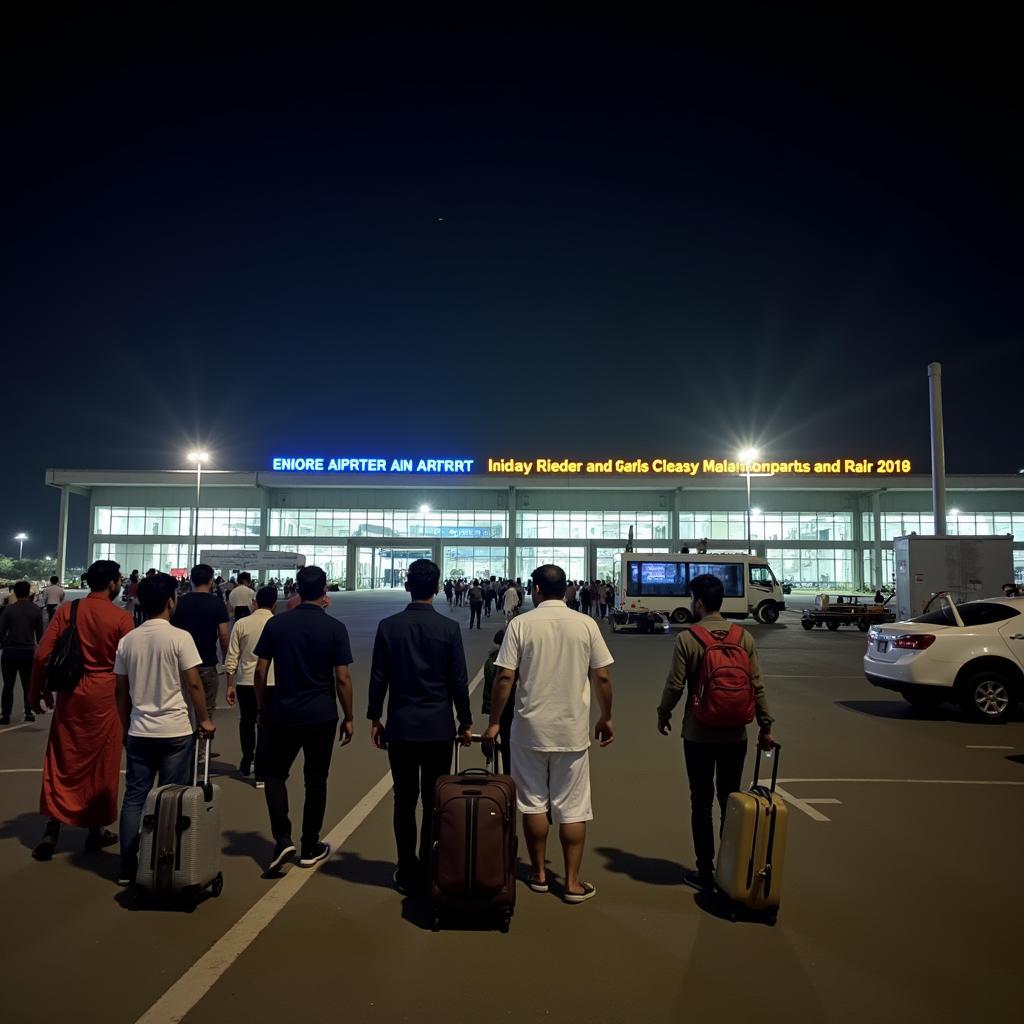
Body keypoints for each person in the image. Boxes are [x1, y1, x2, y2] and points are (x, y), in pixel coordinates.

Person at [485, 564, 614, 904]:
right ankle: (571, 883)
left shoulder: (521, 624)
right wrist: (607, 717)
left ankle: (539, 874)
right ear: (566, 590)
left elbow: (504, 678)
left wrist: (495, 721)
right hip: (571, 731)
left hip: (528, 730)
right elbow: (601, 677)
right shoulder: (587, 624)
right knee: (573, 808)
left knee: (532, 804)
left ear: (536, 590)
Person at [656, 573, 775, 890]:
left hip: (698, 733)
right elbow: (757, 685)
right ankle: (731, 868)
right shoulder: (743, 638)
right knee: (730, 799)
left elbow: (675, 685)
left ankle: (705, 871)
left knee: (701, 803)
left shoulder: (688, 639)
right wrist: (765, 726)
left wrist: (663, 713)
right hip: (735, 734)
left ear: (697, 602)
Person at [367, 558, 472, 894]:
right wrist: (466, 720)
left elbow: (379, 677)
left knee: (404, 800)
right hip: (439, 727)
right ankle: (429, 864)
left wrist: (374, 717)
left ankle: (406, 867)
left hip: (401, 726)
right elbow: (458, 680)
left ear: (407, 585)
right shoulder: (449, 628)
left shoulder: (389, 626)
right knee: (433, 800)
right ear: (439, 587)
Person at [113, 573, 215, 885]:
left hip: (140, 729)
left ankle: (128, 868)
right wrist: (204, 719)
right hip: (174, 730)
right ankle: (164, 862)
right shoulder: (179, 637)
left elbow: (120, 690)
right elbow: (194, 683)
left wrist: (123, 726)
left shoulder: (127, 640)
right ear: (171, 602)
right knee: (171, 797)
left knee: (134, 798)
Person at [28, 560, 133, 861]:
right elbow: (130, 667)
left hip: (71, 694)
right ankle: (95, 828)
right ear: (112, 583)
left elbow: (42, 655)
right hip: (106, 695)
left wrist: (36, 693)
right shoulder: (120, 618)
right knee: (103, 761)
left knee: (63, 758)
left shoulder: (68, 611)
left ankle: (53, 826)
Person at [254, 565, 354, 874]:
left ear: (296, 589)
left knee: (273, 773)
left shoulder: (277, 625)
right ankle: (310, 845)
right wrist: (349, 716)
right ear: (325, 592)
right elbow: (342, 678)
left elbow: (260, 670)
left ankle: (282, 836)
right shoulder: (335, 628)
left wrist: (262, 708)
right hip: (321, 714)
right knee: (316, 780)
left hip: (283, 712)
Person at [225, 585, 277, 787]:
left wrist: (229, 684)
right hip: (271, 682)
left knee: (246, 722)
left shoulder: (241, 624)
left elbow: (232, 657)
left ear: (254, 603)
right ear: (274, 605)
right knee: (266, 726)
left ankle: (247, 759)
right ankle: (261, 773)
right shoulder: (276, 623)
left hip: (245, 682)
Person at [171, 564, 230, 726]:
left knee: (183, 706)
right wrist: (225, 659)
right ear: (211, 581)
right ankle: (203, 749)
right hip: (207, 661)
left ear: (191, 580)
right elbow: (223, 635)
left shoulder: (180, 603)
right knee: (207, 707)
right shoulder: (217, 603)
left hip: (182, 662)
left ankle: (187, 746)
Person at [1, 580, 44, 724]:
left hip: (10, 652)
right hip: (28, 652)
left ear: (15, 592)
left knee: (8, 685)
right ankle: (28, 712)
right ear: (29, 593)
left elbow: (1, 633)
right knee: (28, 685)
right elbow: (40, 634)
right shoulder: (35, 610)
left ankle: (6, 715)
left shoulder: (8, 610)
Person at [482, 628, 515, 774]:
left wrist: (492, 720)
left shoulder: (491, 662)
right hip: (518, 712)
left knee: (505, 750)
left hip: (501, 713)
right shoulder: (519, 660)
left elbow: (490, 690)